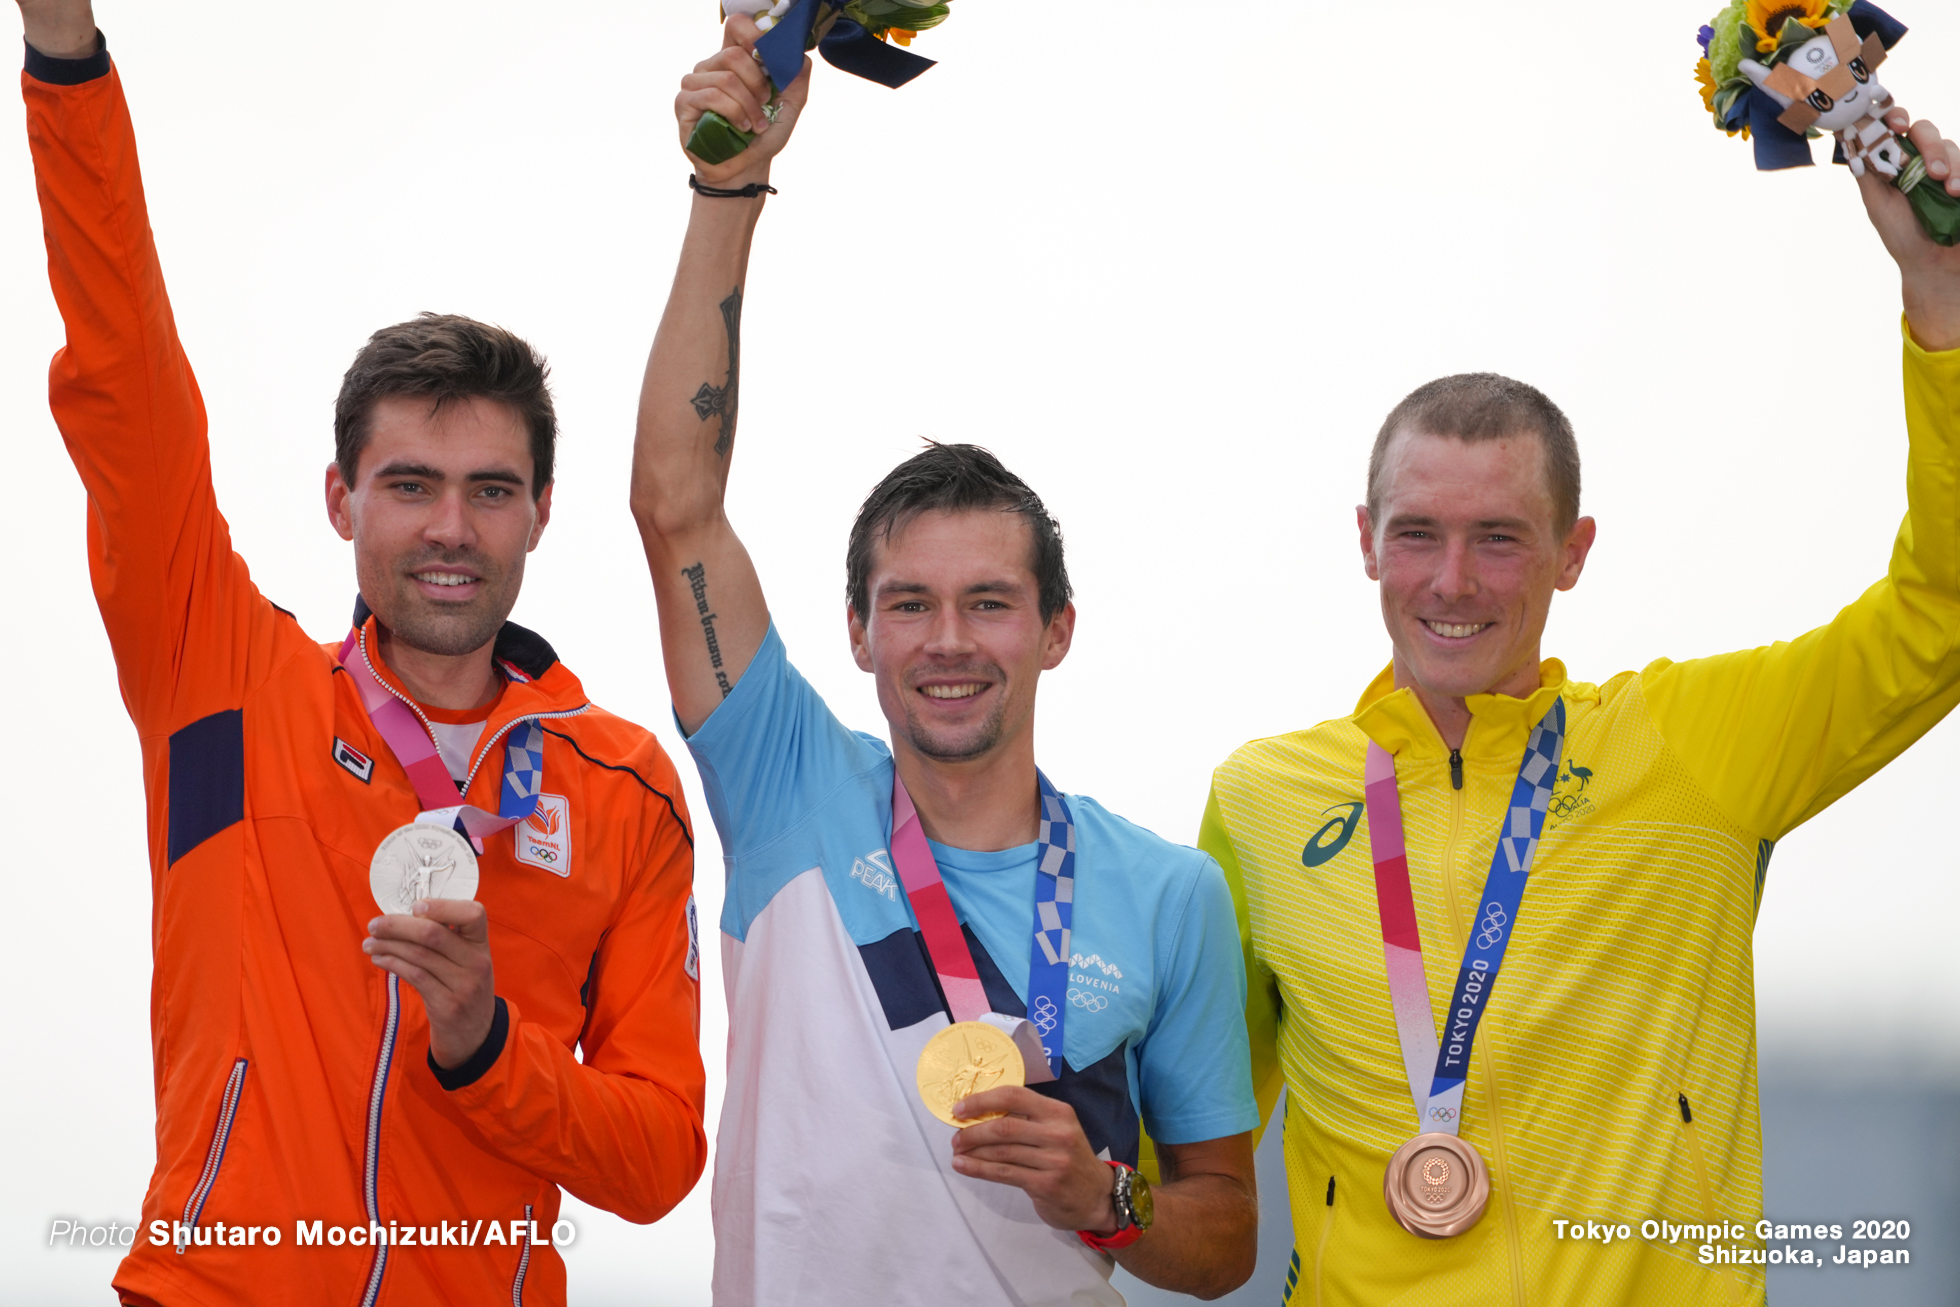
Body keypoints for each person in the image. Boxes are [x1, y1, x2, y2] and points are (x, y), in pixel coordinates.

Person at [1200, 95, 1960, 1305]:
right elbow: (1194, 1142)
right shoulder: (1259, 798)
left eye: (1499, 538)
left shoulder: (1701, 742)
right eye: (1417, 535)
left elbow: (1941, 609)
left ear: (1573, 549)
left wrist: (1943, 301)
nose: (1452, 582)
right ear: (1363, 541)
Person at [15, 4, 707, 1304]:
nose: (452, 528)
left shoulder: (623, 789)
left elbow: (663, 1153)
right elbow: (124, 370)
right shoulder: (218, 680)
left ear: (544, 510)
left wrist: (488, 1045)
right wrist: (65, 56)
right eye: (411, 483)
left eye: (492, 489)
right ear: (341, 497)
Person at [629, 18, 1262, 1305]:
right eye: (908, 604)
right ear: (856, 630)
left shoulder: (1168, 890)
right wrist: (726, 186)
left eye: (989, 602)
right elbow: (675, 502)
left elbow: (1224, 1238)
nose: (950, 642)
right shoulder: (787, 784)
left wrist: (1105, 1196)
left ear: (1056, 628)